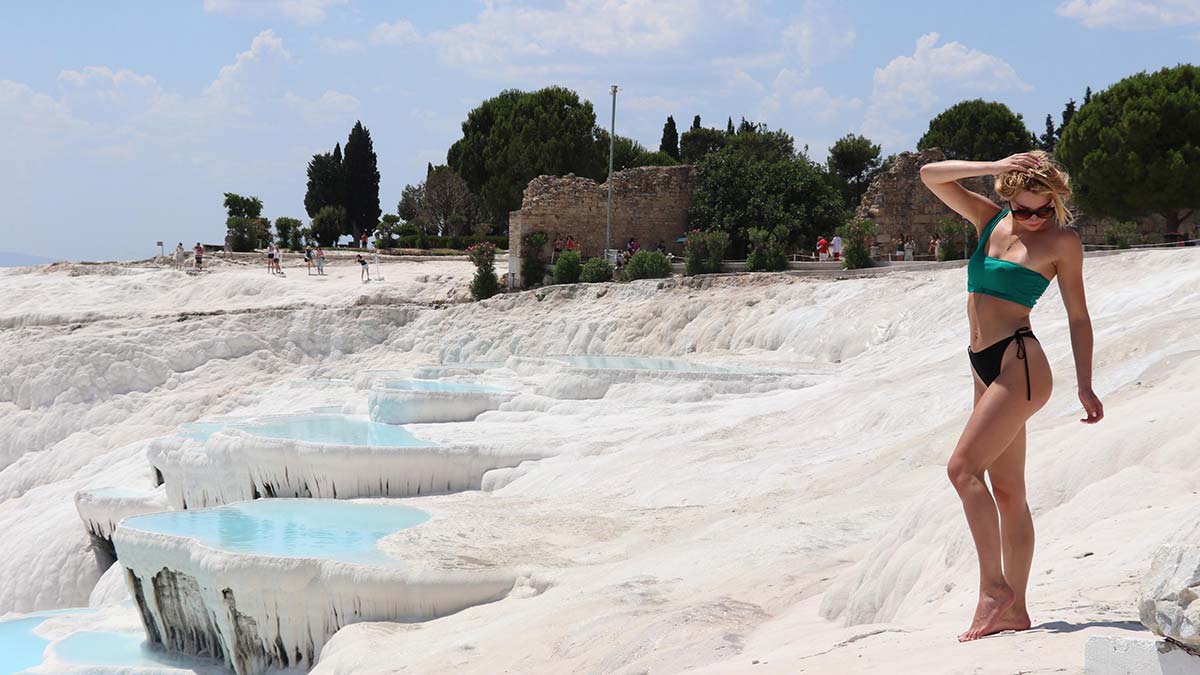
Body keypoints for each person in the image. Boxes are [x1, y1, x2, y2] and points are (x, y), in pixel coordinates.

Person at [920, 150, 1103, 642]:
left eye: (1044, 209)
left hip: (1019, 365)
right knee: (1008, 491)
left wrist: (1085, 383)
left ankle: (993, 590)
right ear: (1007, 198)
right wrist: (994, 167)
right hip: (982, 366)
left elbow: (1078, 316)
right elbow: (930, 175)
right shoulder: (988, 220)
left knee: (962, 470)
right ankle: (1016, 610)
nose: (1035, 218)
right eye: (1024, 209)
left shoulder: (1062, 242)